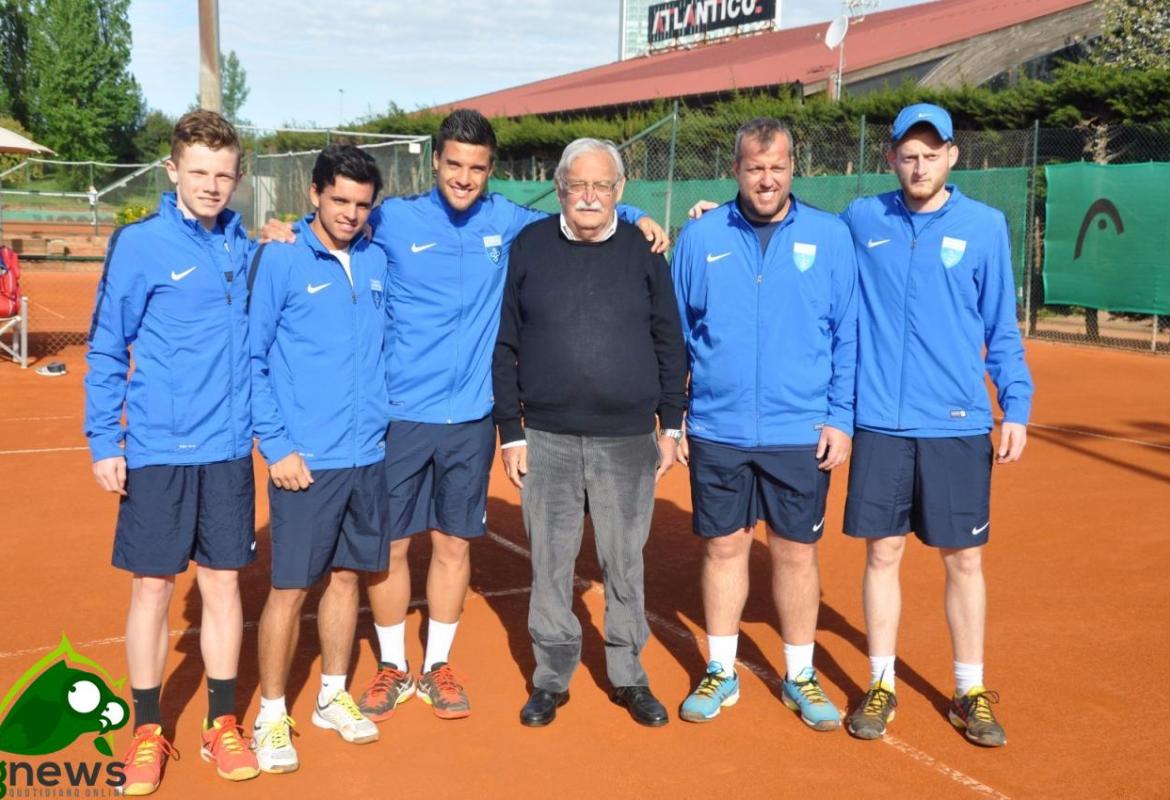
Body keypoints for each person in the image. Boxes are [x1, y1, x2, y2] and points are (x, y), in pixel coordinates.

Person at [263, 109, 667, 722]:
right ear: (435, 162)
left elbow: (583, 211)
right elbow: (332, 225)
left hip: (473, 416)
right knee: (392, 547)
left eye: (477, 167)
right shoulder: (393, 219)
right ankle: (395, 666)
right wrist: (285, 228)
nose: (464, 177)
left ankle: (438, 666)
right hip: (399, 416)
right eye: (453, 164)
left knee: (453, 543)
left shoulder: (508, 221)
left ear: (490, 170)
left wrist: (638, 217)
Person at [839, 103, 1033, 747]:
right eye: (907, 154)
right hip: (881, 423)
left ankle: (968, 689)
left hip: (955, 421)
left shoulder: (984, 227)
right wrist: (713, 211)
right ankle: (881, 682)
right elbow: (789, 231)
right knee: (883, 554)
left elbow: (1002, 326)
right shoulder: (864, 218)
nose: (918, 165)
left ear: (952, 155)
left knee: (964, 561)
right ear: (891, 157)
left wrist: (1016, 404)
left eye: (931, 153)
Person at [84, 110, 259, 795]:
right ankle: (148, 729)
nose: (212, 186)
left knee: (221, 584)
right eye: (199, 173)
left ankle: (221, 723)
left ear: (237, 176)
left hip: (226, 450)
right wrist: (106, 439)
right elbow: (105, 347)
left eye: (223, 175)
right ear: (173, 172)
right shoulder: (140, 245)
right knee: (153, 588)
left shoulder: (245, 247)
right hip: (156, 448)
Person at [492, 137, 687, 728]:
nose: (589, 196)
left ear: (620, 192)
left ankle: (628, 675)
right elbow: (505, 345)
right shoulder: (528, 246)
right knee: (550, 564)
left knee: (624, 563)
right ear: (559, 188)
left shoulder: (644, 250)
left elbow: (668, 341)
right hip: (546, 438)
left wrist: (672, 424)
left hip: (628, 439)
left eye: (602, 186)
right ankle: (551, 678)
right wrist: (511, 432)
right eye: (578, 185)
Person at [671, 118, 858, 730]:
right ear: (737, 171)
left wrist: (839, 418)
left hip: (799, 431)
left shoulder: (830, 238)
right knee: (724, 547)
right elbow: (675, 334)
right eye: (755, 168)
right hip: (718, 428)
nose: (766, 179)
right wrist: (674, 419)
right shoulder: (700, 238)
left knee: (795, 553)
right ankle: (721, 669)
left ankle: (798, 673)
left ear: (793, 169)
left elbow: (848, 334)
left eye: (777, 167)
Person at [248, 145, 391, 771]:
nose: (350, 213)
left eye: (362, 204)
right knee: (289, 589)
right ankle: (271, 714)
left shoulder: (378, 257)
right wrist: (276, 445)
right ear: (313, 194)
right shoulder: (279, 259)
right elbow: (250, 360)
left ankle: (332, 696)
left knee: (346, 578)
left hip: (367, 453)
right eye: (339, 200)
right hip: (305, 459)